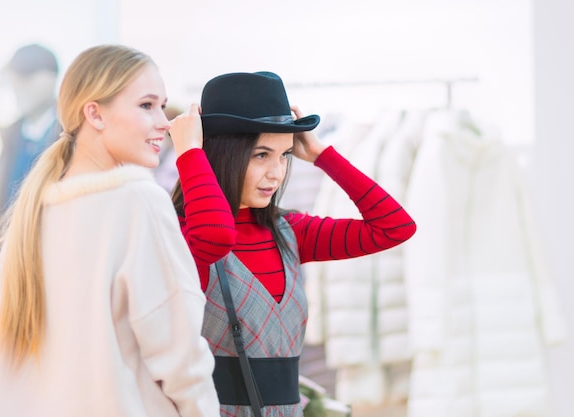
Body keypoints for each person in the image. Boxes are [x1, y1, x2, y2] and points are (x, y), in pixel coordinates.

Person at [168, 71, 417, 417]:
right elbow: (216, 235)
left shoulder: (289, 232)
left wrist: (322, 155)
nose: (277, 172)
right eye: (261, 155)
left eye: (284, 155)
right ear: (221, 152)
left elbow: (395, 227)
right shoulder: (182, 236)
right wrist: (190, 153)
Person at [0, 44, 219, 417]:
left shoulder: (34, 212)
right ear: (94, 113)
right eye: (147, 105)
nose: (164, 121)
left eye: (163, 105)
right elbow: (181, 359)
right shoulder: (138, 200)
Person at [0, 43, 62, 218]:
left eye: (26, 77)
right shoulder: (9, 134)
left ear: (51, 78)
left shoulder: (72, 133)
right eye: (14, 78)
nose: (17, 86)